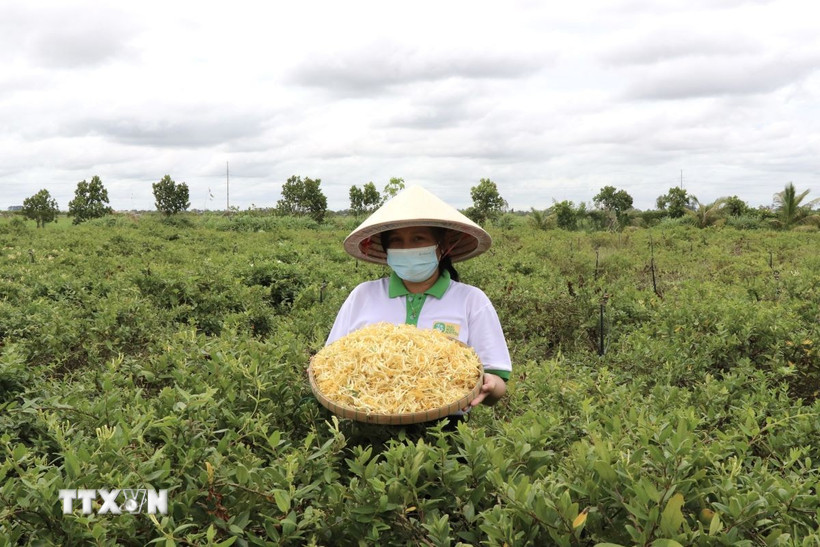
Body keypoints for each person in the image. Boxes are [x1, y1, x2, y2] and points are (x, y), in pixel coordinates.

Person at [326, 185, 511, 420]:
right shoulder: (363, 295)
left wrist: (490, 385)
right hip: (367, 424)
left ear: (442, 247)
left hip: (444, 431)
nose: (407, 248)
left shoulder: (471, 300)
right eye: (396, 240)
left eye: (418, 239)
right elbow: (332, 364)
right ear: (386, 249)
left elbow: (497, 382)